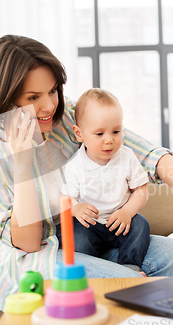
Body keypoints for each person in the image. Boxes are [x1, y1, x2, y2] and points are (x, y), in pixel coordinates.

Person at [0, 34, 173, 311]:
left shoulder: (69, 116)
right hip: (44, 253)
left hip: (94, 234)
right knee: (126, 282)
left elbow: (148, 153)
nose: (49, 106)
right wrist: (21, 165)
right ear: (5, 99)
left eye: (53, 91)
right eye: (33, 97)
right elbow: (29, 243)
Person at [61, 88, 151, 276]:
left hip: (120, 222)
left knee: (141, 225)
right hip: (91, 225)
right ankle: (94, 267)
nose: (109, 140)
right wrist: (76, 208)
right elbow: (65, 198)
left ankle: (130, 268)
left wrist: (127, 212)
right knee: (74, 235)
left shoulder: (126, 156)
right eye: (99, 134)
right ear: (79, 134)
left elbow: (141, 189)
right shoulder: (74, 166)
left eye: (116, 131)